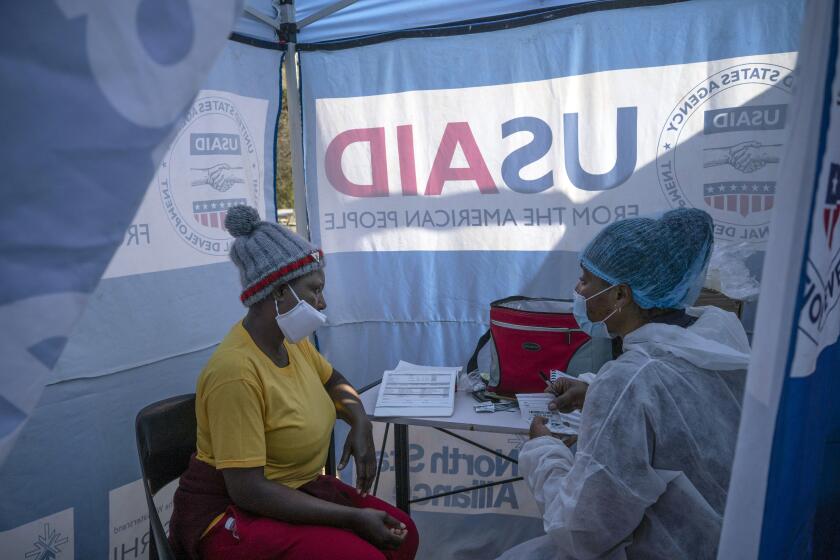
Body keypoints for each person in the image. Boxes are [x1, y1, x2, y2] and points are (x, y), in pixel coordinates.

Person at [168, 205, 418, 560]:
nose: (322, 301)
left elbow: (336, 384)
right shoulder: (236, 372)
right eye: (314, 289)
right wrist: (352, 518)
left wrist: (359, 421)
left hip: (293, 491)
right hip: (231, 514)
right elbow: (249, 491)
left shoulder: (290, 343)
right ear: (278, 291)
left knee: (403, 537)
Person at [498, 208, 750, 560]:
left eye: (586, 279)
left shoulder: (630, 380)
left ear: (621, 296)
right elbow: (681, 406)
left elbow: (585, 532)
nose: (577, 288)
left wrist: (543, 451)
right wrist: (594, 391)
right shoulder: (719, 334)